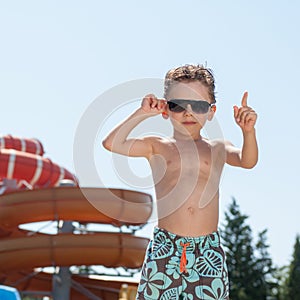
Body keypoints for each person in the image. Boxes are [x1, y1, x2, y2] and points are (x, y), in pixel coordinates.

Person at [102, 64, 258, 299]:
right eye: (177, 105)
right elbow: (111, 143)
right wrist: (141, 113)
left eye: (198, 105)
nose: (188, 112)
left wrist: (248, 132)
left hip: (207, 250)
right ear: (165, 109)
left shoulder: (217, 148)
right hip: (166, 247)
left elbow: (248, 161)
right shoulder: (157, 146)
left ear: (211, 111)